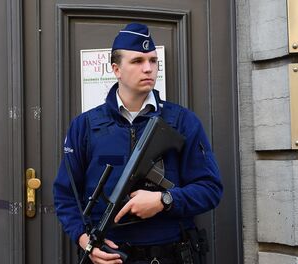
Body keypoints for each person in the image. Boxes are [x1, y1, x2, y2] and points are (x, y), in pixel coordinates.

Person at [53, 23, 223, 264]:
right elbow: (65, 195)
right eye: (137, 61)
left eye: (153, 61)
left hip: (169, 255)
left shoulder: (182, 121)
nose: (148, 68)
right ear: (116, 69)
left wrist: (165, 201)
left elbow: (211, 189)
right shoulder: (85, 126)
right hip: (108, 255)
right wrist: (84, 240)